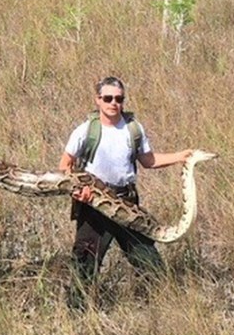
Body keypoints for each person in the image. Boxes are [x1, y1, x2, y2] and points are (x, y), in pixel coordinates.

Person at [59, 76, 192, 308]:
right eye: (107, 98)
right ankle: (77, 317)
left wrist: (181, 157)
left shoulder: (133, 129)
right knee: (85, 264)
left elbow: (148, 161)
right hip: (94, 206)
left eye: (119, 99)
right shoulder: (85, 130)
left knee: (149, 261)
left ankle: (163, 307)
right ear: (97, 100)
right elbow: (65, 165)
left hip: (127, 203)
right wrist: (79, 191)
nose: (113, 103)